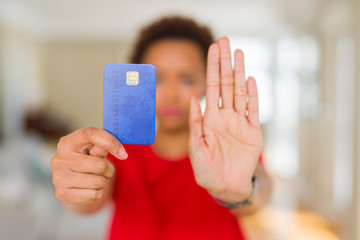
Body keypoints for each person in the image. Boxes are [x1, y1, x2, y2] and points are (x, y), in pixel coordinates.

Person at [50, 16, 272, 240]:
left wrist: (238, 192)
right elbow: (88, 205)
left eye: (186, 80)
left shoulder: (228, 146)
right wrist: (74, 190)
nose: (171, 94)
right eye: (156, 79)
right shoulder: (119, 147)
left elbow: (259, 195)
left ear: (206, 82)